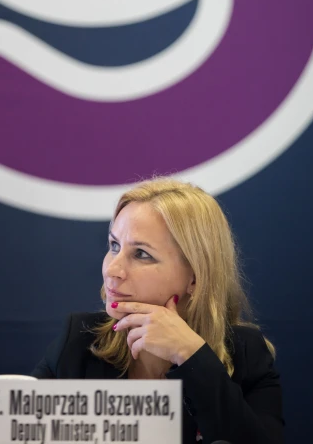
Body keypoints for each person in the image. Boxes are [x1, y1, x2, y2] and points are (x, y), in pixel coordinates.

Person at [31, 178, 284, 444]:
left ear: (196, 277)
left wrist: (191, 356)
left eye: (141, 254)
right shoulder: (79, 341)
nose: (112, 270)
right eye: (114, 246)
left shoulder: (247, 354)